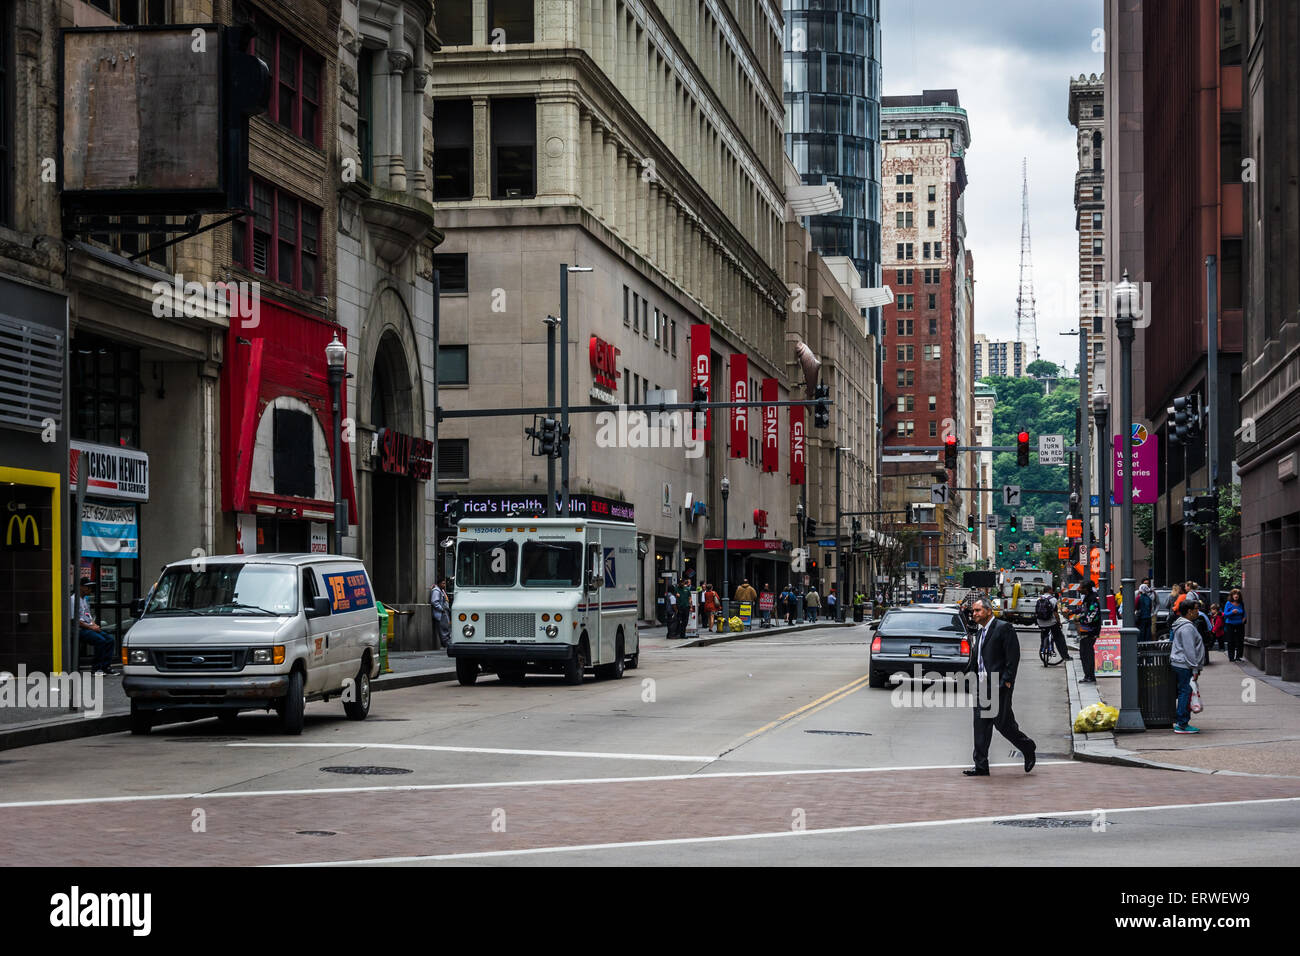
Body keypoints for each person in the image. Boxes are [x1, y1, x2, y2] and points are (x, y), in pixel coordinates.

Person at [963, 596, 1037, 776]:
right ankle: (981, 765)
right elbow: (977, 659)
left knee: (1004, 725)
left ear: (989, 611)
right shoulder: (979, 633)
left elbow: (1013, 657)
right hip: (981, 686)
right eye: (973, 611)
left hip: (998, 686)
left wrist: (1007, 681)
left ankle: (1027, 747)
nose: (974, 614)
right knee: (980, 725)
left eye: (978, 610)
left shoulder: (1004, 628)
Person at [1170, 597, 1205, 734]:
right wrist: (1195, 668)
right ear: (1189, 611)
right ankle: (1182, 723)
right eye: (1196, 609)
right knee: (1186, 692)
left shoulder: (1183, 625)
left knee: (1184, 691)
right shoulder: (1187, 628)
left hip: (1181, 663)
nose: (1198, 612)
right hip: (1184, 665)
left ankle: (1182, 721)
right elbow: (1190, 649)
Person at [77, 581, 116, 674]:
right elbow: (75, 621)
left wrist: (94, 625)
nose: (90, 590)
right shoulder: (74, 600)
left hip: (89, 627)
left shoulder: (84, 600)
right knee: (101, 641)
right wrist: (91, 628)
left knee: (110, 640)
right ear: (81, 587)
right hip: (81, 629)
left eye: (91, 587)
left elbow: (88, 616)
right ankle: (96, 668)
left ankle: (106, 667)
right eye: (88, 587)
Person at [1035, 588, 1071, 663]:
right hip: (1051, 622)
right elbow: (1055, 613)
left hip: (1041, 622)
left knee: (1044, 635)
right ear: (1050, 591)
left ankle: (1043, 649)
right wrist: (1059, 622)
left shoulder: (1038, 599)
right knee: (1059, 637)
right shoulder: (1053, 599)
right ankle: (1065, 656)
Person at [1077, 579, 1102, 683]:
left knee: (1087, 653)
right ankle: (1088, 675)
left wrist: (1079, 618)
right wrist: (1073, 612)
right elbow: (1084, 610)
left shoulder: (1092, 599)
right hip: (1087, 629)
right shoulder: (1088, 598)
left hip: (1090, 630)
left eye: (1081, 587)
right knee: (1084, 652)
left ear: (1086, 589)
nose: (1079, 589)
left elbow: (1092, 615)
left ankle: (1090, 676)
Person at [1223, 589, 1246, 662]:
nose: (1236, 595)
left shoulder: (1241, 603)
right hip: (1230, 624)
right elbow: (1225, 614)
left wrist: (1244, 618)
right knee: (1231, 640)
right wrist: (1232, 612)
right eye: (1234, 594)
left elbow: (1244, 612)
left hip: (1240, 624)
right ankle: (1231, 657)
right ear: (1232, 596)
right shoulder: (1228, 603)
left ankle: (1238, 656)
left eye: (1237, 594)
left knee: (1240, 640)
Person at [430, 578, 452, 648]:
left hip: (444, 612)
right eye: (443, 583)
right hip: (440, 614)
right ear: (439, 584)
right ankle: (446, 644)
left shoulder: (441, 590)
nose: (444, 585)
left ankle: (447, 643)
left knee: (446, 628)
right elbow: (434, 602)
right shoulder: (436, 591)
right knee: (443, 630)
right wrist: (442, 609)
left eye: (444, 583)